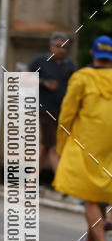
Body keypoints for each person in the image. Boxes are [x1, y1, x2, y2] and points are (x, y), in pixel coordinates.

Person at [53, 35, 112, 241]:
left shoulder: (82, 78)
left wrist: (61, 145)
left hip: (87, 144)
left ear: (92, 53)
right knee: (101, 196)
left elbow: (66, 115)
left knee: (90, 198)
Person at [29, 32, 77, 176]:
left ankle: (31, 182)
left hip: (63, 111)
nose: (61, 49)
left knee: (45, 146)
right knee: (53, 147)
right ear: (51, 46)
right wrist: (44, 83)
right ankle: (61, 183)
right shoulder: (40, 60)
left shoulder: (69, 65)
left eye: (65, 47)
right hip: (45, 110)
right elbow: (24, 77)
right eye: (58, 46)